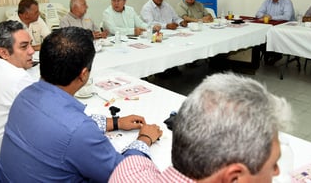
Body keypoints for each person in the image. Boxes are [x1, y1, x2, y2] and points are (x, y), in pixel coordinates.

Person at [0, 27, 162, 182]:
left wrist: (115, 122)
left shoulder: (25, 95)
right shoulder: (79, 130)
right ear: (83, 75)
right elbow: (125, 174)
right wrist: (144, 139)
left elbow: (61, 126)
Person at [109, 73, 292, 183]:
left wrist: (143, 140)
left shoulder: (129, 168)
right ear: (234, 178)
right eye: (273, 163)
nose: (277, 171)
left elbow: (135, 160)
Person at [256, 0, 295, 65]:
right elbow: (258, 13)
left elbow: (287, 17)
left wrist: (271, 17)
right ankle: (269, 54)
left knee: (271, 35)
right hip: (269, 29)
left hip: (284, 30)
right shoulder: (267, 1)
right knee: (258, 36)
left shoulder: (287, 2)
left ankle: (276, 54)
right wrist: (264, 15)